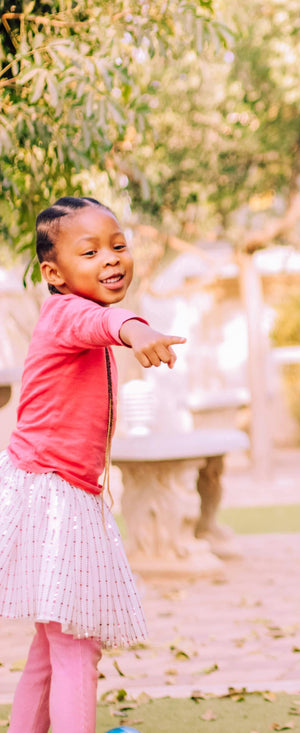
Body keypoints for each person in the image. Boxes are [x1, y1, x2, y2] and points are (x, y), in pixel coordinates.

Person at [0, 196, 186, 733]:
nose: (110, 259)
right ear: (54, 273)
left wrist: (129, 328)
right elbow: (107, 322)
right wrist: (139, 331)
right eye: (91, 251)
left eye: (118, 245)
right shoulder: (68, 313)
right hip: (48, 495)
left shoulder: (78, 316)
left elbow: (106, 323)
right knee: (78, 641)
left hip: (57, 492)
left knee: (51, 643)